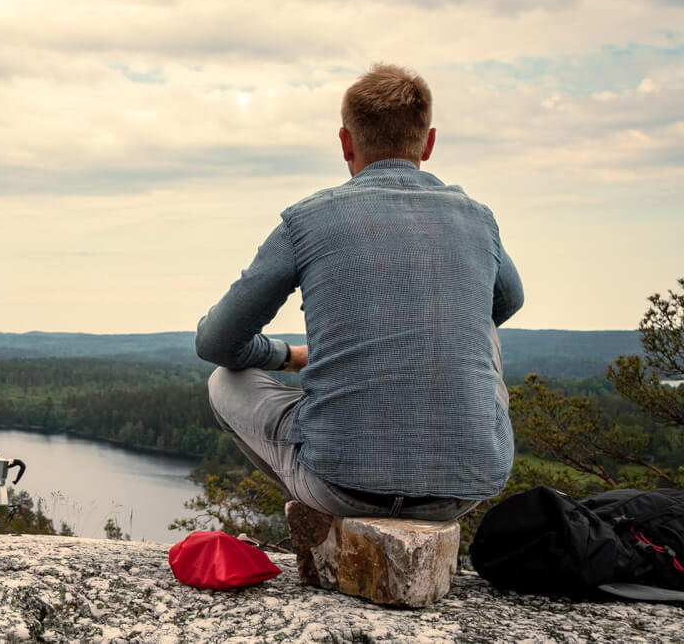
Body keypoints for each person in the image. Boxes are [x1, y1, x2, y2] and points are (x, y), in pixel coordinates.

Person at [195, 63, 524, 521]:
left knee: (223, 380)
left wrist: (289, 356)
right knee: (482, 323)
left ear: (346, 142)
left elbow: (215, 343)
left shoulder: (307, 220)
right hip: (463, 490)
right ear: (428, 143)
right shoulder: (476, 217)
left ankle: (317, 505)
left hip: (338, 487)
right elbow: (508, 302)